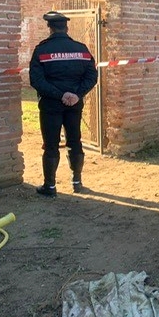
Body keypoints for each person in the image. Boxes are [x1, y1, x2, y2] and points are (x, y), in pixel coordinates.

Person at [29, 11, 98, 197]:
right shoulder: (81, 49)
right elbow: (92, 76)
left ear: (49, 28)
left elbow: (36, 80)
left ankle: (49, 187)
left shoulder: (41, 50)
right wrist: (76, 94)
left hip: (51, 105)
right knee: (75, 141)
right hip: (74, 104)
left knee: (51, 144)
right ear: (66, 28)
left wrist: (60, 95)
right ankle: (77, 182)